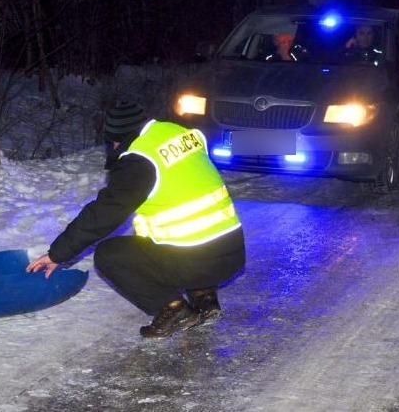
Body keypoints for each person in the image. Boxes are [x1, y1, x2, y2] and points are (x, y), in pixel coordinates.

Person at [27, 101, 246, 338]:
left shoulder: (139, 161)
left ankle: (174, 309)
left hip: (196, 261)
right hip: (232, 252)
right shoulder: (179, 132)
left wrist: (56, 254)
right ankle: (204, 296)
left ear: (116, 139)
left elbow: (102, 215)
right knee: (184, 236)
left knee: (110, 254)